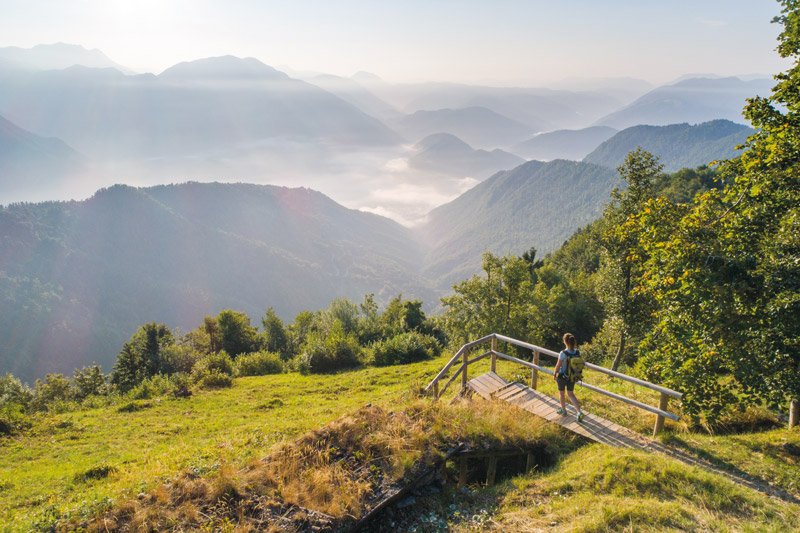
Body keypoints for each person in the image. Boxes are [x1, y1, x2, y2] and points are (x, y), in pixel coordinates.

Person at [553, 332, 585, 422]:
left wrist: (554, 373)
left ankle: (563, 410)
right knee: (571, 394)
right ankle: (579, 412)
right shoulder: (577, 352)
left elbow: (558, 365)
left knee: (562, 394)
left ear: (565, 341)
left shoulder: (563, 353)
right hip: (572, 377)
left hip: (562, 377)